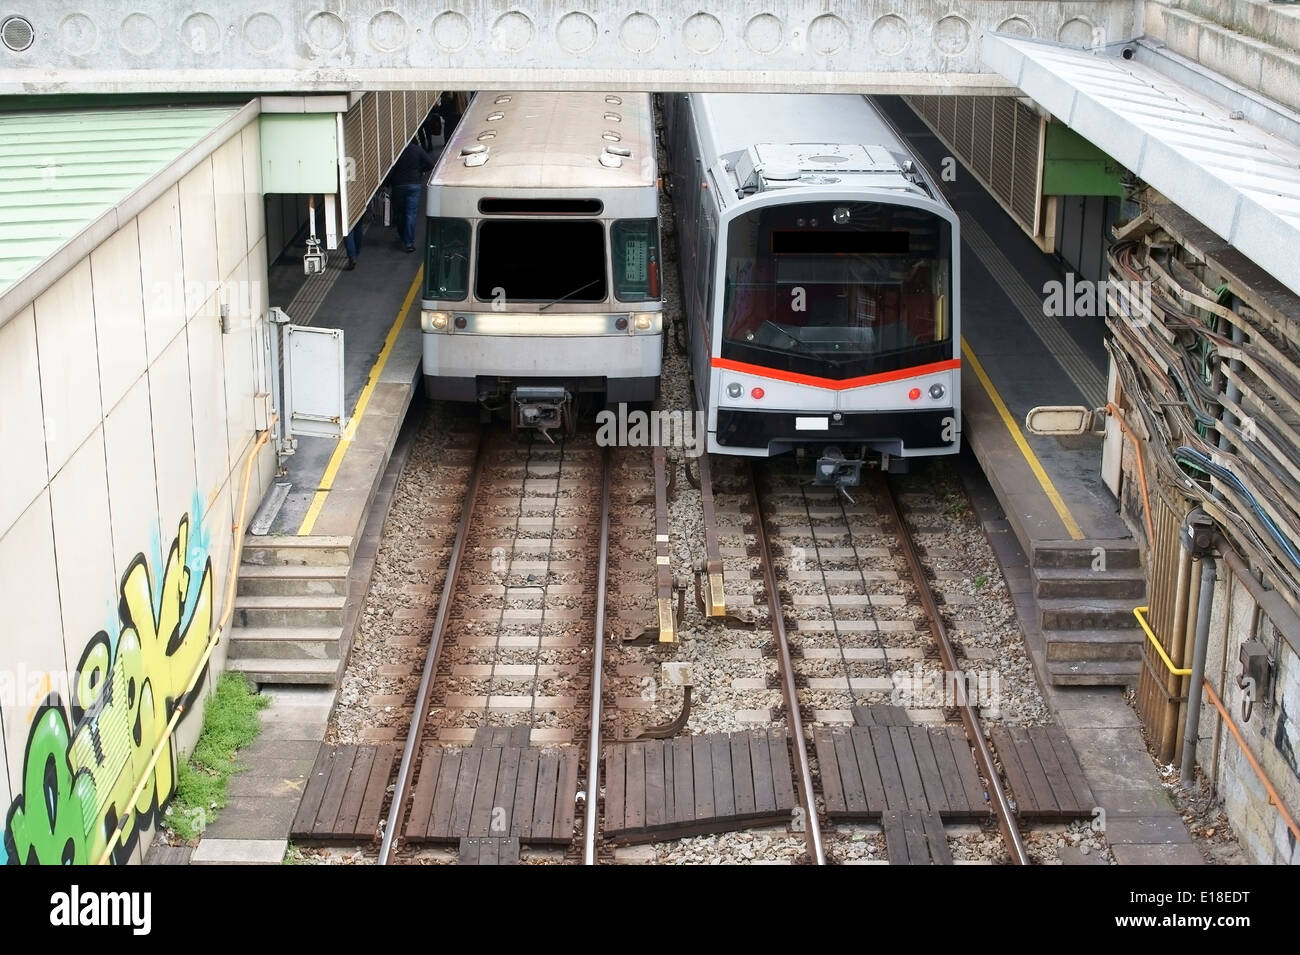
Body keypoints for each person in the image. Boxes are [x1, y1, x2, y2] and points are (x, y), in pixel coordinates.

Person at [387, 138, 435, 252]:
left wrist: (387, 183)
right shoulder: (417, 149)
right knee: (410, 214)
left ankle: (402, 235)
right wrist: (419, 171)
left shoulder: (395, 151)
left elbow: (388, 170)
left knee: (399, 213)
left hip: (398, 185)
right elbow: (430, 164)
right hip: (414, 185)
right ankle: (409, 243)